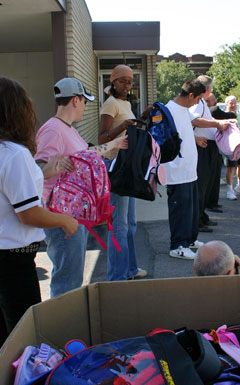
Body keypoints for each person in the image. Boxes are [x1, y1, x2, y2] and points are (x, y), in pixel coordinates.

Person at [0, 77, 79, 345]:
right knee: (23, 339)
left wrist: (46, 170)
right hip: (13, 262)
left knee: (5, 338)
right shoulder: (14, 154)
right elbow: (28, 213)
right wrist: (65, 221)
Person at [35, 77, 127, 297]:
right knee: (67, 281)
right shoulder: (53, 131)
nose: (85, 107)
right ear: (75, 100)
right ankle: (64, 328)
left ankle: (67, 326)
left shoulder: (67, 129)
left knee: (73, 276)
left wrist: (114, 144)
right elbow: (36, 171)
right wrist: (52, 168)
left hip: (72, 213)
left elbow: (87, 153)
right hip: (60, 216)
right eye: (85, 101)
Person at [98, 65, 147, 281]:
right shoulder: (110, 104)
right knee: (119, 225)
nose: (127, 85)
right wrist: (124, 125)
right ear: (113, 82)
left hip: (127, 168)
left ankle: (130, 269)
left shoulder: (126, 103)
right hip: (115, 169)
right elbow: (102, 138)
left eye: (130, 81)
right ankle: (117, 277)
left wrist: (142, 117)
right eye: (123, 81)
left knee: (130, 224)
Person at [163, 79, 206, 259]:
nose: (197, 103)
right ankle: (178, 246)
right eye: (197, 100)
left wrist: (195, 139)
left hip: (189, 170)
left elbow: (183, 132)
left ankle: (189, 240)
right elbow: (164, 141)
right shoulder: (169, 110)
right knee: (180, 210)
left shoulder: (183, 110)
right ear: (190, 95)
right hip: (177, 170)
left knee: (191, 209)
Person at [189, 76, 229, 233]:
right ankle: (197, 221)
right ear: (206, 89)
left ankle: (202, 216)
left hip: (208, 146)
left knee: (207, 185)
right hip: (202, 146)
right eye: (210, 88)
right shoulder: (197, 103)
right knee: (201, 185)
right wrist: (217, 124)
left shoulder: (201, 103)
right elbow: (194, 120)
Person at [224, 95, 240, 200]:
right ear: (226, 104)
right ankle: (229, 190)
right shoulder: (224, 115)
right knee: (231, 167)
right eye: (231, 103)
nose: (233, 105)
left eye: (235, 103)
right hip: (230, 146)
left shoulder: (238, 115)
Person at [204, 93, 225, 213]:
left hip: (215, 145)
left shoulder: (208, 111)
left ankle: (213, 201)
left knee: (216, 175)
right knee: (211, 177)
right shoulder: (212, 110)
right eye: (213, 101)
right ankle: (210, 203)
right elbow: (228, 115)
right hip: (208, 145)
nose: (215, 103)